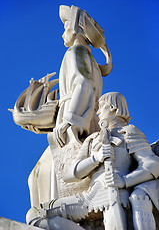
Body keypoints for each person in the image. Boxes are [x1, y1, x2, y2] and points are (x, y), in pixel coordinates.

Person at [27, 92, 159, 230]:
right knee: (35, 215)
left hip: (117, 195)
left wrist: (125, 181)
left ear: (113, 108)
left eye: (102, 106)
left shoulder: (128, 132)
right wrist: (96, 158)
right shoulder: (93, 138)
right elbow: (70, 174)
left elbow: (152, 164)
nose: (98, 112)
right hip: (90, 197)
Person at [27, 5, 112, 210]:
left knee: (38, 175)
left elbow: (82, 85)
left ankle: (50, 216)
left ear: (75, 29)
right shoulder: (88, 57)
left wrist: (71, 120)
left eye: (65, 27)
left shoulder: (75, 51)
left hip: (76, 122)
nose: (62, 33)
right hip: (84, 117)